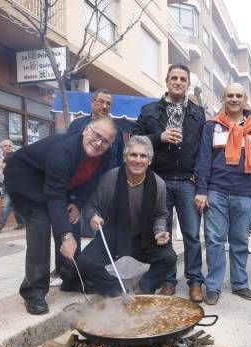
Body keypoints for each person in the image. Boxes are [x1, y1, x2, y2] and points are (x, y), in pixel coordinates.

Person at [4, 117, 116, 315]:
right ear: (86, 131)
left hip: (59, 184)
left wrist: (77, 203)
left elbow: (92, 181)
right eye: (96, 136)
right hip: (27, 179)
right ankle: (33, 292)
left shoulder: (104, 156)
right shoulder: (64, 151)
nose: (99, 143)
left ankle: (71, 278)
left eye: (105, 141)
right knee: (42, 224)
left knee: (71, 221)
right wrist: (65, 236)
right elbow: (54, 196)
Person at [132, 64, 206, 302]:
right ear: (166, 81)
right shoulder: (149, 110)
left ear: (187, 84)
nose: (178, 82)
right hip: (159, 180)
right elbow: (134, 140)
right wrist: (158, 138)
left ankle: (195, 281)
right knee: (161, 233)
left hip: (187, 181)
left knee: (192, 234)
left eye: (183, 79)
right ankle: (168, 280)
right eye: (174, 78)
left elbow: (204, 152)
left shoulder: (198, 112)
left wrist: (200, 181)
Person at [194, 83, 251, 305]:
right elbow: (204, 159)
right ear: (223, 98)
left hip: (245, 193)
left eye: (239, 95)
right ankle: (213, 287)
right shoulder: (212, 126)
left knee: (239, 241)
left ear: (245, 99)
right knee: (215, 241)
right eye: (230, 95)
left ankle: (239, 284)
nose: (234, 99)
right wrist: (202, 190)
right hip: (216, 191)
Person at [78, 136, 176, 296]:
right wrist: (93, 217)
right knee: (85, 262)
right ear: (125, 157)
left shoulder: (158, 183)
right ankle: (117, 290)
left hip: (144, 237)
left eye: (143, 156)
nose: (138, 160)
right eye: (133, 155)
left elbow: (161, 214)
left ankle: (143, 288)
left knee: (169, 258)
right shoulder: (110, 179)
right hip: (113, 235)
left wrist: (159, 231)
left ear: (149, 161)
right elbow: (91, 206)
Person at [48, 89, 125, 286]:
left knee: (103, 227)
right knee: (69, 225)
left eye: (108, 103)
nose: (105, 106)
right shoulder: (77, 125)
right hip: (76, 186)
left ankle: (96, 269)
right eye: (101, 101)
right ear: (92, 103)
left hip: (103, 188)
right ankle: (68, 273)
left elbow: (118, 160)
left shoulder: (114, 131)